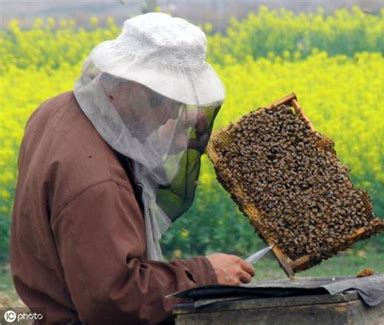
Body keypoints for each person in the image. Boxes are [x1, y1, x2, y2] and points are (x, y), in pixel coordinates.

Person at [10, 13, 255, 324]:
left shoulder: (56, 110)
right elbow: (115, 301)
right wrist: (205, 272)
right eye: (161, 101)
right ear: (123, 86)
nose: (169, 115)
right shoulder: (99, 183)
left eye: (176, 102)